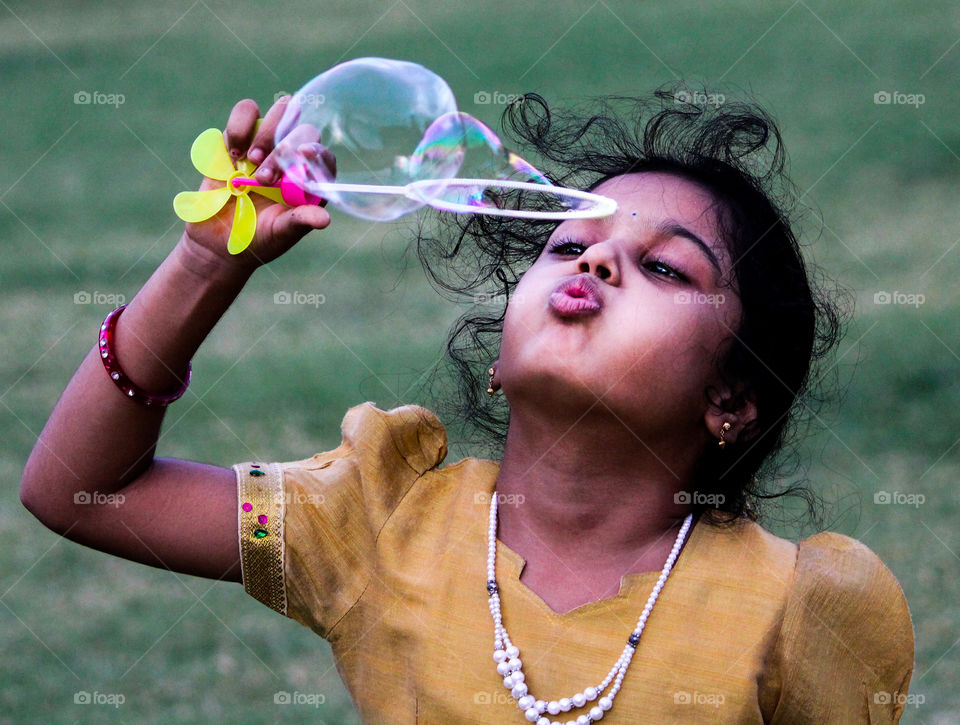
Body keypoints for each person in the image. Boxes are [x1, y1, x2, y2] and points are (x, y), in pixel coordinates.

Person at [20, 87, 914, 724]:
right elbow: (82, 490)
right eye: (566, 244)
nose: (594, 260)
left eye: (663, 266)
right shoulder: (375, 523)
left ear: (731, 397)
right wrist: (204, 267)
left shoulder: (800, 607)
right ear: (499, 358)